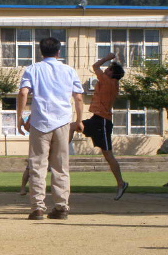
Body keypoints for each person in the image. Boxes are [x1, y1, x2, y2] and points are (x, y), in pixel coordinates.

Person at [17, 37, 84, 220]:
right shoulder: (69, 70)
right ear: (59, 52)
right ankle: (61, 206)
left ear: (41, 51)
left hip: (40, 123)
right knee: (61, 166)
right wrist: (79, 120)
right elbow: (78, 97)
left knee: (38, 165)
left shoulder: (33, 69)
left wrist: (20, 117)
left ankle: (37, 207)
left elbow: (23, 92)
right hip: (62, 122)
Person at [71, 52, 129, 200]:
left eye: (109, 68)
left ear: (112, 73)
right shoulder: (111, 83)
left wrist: (107, 58)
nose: (105, 70)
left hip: (102, 122)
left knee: (108, 155)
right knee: (72, 127)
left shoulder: (108, 81)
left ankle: (121, 183)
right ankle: (61, 154)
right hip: (98, 120)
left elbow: (95, 66)